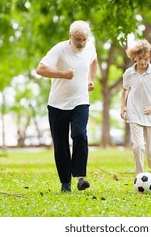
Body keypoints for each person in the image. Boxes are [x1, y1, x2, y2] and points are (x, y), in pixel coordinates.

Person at [36, 20, 98, 192]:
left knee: (79, 134)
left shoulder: (90, 47)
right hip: (57, 105)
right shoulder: (60, 49)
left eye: (84, 39)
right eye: (78, 39)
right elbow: (40, 69)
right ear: (70, 36)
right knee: (61, 144)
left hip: (80, 101)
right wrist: (63, 74)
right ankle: (65, 183)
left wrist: (91, 79)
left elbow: (94, 62)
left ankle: (80, 177)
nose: (81, 43)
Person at [120, 40, 151, 186]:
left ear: (150, 57)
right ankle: (139, 175)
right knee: (137, 146)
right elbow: (125, 90)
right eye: (140, 58)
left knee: (150, 151)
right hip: (134, 112)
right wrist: (123, 107)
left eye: (146, 59)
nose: (143, 62)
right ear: (134, 57)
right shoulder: (129, 73)